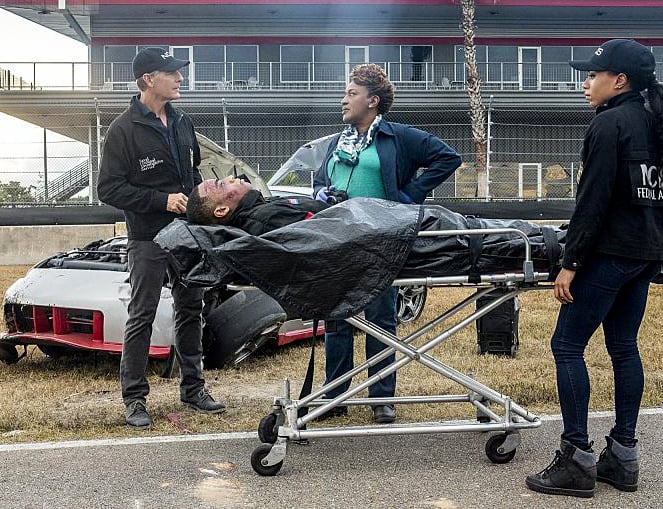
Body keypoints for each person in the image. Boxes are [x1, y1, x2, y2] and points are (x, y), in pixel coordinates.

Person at [525, 39, 663, 498]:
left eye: (593, 75)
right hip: (644, 253)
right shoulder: (658, 122)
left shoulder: (609, 123)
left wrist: (570, 263)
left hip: (609, 253)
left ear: (620, 81)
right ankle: (623, 457)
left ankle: (576, 459)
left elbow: (591, 202)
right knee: (623, 347)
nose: (585, 83)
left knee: (567, 345)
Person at [312, 63, 461, 424]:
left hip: (382, 240)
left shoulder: (398, 137)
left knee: (380, 318)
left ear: (372, 101)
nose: (343, 99)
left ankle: (381, 397)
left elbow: (448, 158)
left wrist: (409, 196)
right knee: (338, 317)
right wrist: (320, 192)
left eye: (351, 93)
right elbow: (318, 179)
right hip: (338, 240)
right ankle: (335, 395)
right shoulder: (337, 141)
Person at [97, 47, 225, 429]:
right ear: (149, 79)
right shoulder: (122, 129)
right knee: (143, 314)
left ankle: (193, 387)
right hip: (148, 237)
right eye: (172, 73)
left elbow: (194, 173)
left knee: (192, 310)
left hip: (187, 234)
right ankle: (134, 398)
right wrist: (161, 200)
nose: (180, 78)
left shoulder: (183, 121)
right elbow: (109, 189)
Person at [186, 175, 328, 234]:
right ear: (222, 210)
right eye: (222, 184)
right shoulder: (267, 220)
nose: (231, 177)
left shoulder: (258, 208)